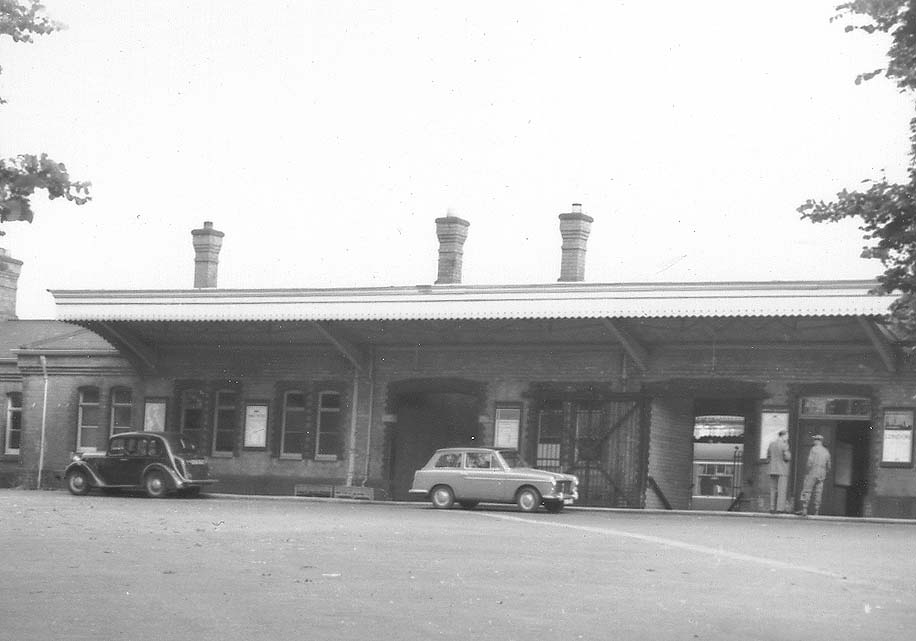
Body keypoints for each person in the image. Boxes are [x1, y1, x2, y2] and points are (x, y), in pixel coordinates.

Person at [797, 434, 831, 516]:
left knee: (807, 489)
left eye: (815, 440)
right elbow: (829, 466)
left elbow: (809, 462)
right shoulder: (826, 451)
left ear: (817, 441)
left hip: (813, 471)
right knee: (818, 492)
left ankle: (804, 509)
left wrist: (807, 472)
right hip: (822, 473)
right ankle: (816, 510)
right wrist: (825, 472)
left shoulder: (814, 449)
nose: (813, 441)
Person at [765, 429, 791, 513]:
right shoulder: (784, 445)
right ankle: (780, 508)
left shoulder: (771, 444)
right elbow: (787, 457)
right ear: (783, 436)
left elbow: (768, 456)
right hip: (782, 470)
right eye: (787, 436)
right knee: (781, 490)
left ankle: (772, 508)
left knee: (773, 489)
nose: (787, 438)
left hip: (772, 469)